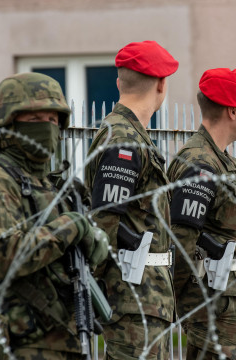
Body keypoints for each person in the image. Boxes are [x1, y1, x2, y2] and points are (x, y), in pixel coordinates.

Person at [0, 72, 109, 360]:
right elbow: (4, 256)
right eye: (33, 121)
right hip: (19, 343)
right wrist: (71, 227)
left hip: (66, 339)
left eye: (53, 120)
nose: (46, 128)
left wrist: (95, 243)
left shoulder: (57, 186)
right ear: (8, 125)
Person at [84, 40, 179, 359]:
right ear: (161, 84)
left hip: (145, 298)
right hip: (134, 297)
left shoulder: (131, 135)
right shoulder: (124, 140)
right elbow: (105, 224)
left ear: (118, 83)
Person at [167, 68, 236, 359]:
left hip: (230, 305)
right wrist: (185, 305)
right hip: (216, 311)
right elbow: (181, 242)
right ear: (232, 111)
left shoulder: (220, 160)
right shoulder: (200, 163)